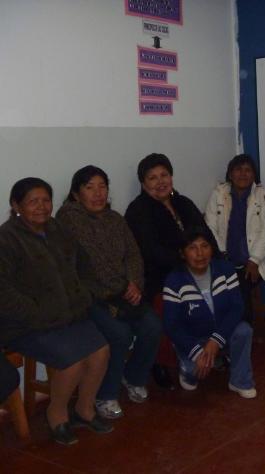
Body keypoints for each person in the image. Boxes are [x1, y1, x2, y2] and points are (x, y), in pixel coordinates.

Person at [0, 177, 111, 446]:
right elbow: (4, 293)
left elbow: (84, 266)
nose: (41, 207)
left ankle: (84, 410)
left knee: (101, 351)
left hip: (69, 314)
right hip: (27, 324)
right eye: (32, 202)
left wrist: (84, 295)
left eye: (46, 200)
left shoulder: (57, 229)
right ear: (16, 205)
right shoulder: (6, 239)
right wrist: (38, 313)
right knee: (72, 362)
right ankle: (57, 415)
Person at [57, 166, 161, 419]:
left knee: (153, 325)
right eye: (90, 187)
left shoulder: (115, 218)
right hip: (89, 297)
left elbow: (133, 254)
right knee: (119, 334)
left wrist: (134, 283)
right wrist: (124, 288)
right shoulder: (70, 219)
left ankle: (133, 377)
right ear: (76, 194)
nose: (98, 193)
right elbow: (94, 261)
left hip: (124, 292)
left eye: (102, 186)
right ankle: (105, 394)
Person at [125, 153, 215, 389]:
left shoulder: (183, 202)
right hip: (159, 276)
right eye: (152, 178)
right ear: (143, 183)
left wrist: (211, 261)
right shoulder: (138, 210)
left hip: (195, 269)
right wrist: (188, 265)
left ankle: (210, 350)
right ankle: (160, 363)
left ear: (172, 177)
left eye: (164, 175)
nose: (160, 182)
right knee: (167, 304)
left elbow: (206, 235)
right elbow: (150, 251)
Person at [163, 227, 256, 398]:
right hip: (193, 339)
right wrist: (196, 352)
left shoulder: (226, 269)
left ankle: (239, 381)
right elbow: (172, 325)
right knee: (193, 375)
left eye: (205, 246)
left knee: (244, 330)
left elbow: (237, 307)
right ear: (182, 254)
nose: (200, 254)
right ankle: (189, 367)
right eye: (192, 248)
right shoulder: (174, 281)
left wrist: (215, 340)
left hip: (221, 333)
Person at [205, 154, 265, 324]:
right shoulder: (219, 193)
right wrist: (222, 256)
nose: (243, 174)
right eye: (238, 170)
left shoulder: (262, 196)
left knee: (240, 288)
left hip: (252, 262)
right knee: (223, 287)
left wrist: (254, 260)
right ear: (230, 174)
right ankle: (228, 331)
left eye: (248, 170)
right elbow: (210, 227)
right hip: (223, 258)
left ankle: (243, 331)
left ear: (254, 175)